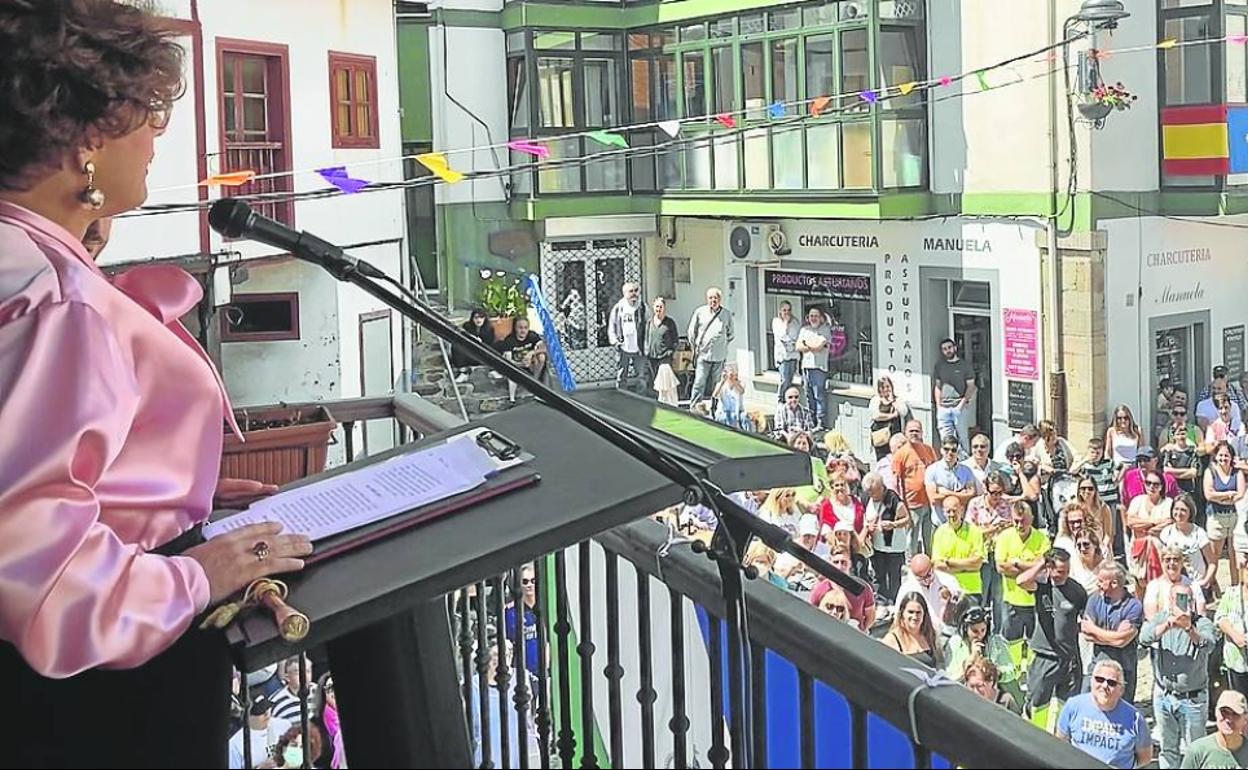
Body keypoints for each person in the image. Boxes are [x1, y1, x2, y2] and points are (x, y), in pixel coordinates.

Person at [0, 3, 316, 766]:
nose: (156, 139)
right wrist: (196, 574)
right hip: (93, 706)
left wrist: (160, 493)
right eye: (147, 115)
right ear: (88, 137)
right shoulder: (52, 298)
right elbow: (34, 570)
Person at [1140, 582, 1218, 770]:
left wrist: (1189, 629)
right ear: (1170, 600)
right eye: (1178, 598)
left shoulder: (1202, 623)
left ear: (1192, 602)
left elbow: (1208, 645)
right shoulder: (1161, 619)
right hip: (1164, 695)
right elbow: (1144, 637)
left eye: (1186, 599)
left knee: (1195, 750)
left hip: (1192, 698)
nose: (1182, 603)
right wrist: (1167, 625)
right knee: (1167, 748)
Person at [1019, 548, 1088, 728]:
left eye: (1066, 571)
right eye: (1059, 571)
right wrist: (1041, 563)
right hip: (1044, 657)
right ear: (1049, 568)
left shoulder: (1076, 591)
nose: (1063, 575)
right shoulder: (1042, 586)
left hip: (1069, 658)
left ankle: (1060, 743)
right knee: (1038, 704)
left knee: (1067, 706)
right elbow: (1021, 581)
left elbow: (1087, 618)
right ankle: (1037, 738)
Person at [1057, 659, 1152, 769]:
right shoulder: (1073, 706)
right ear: (1091, 681)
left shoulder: (1135, 719)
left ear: (1121, 689)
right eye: (1099, 679)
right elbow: (1060, 743)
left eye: (1111, 683)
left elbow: (1145, 757)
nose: (1104, 686)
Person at [995, 500, 1052, 669]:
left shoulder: (1042, 538)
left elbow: (1044, 569)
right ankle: (1015, 669)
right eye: (1016, 521)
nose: (1020, 525)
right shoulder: (1005, 537)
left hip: (1035, 601)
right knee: (1012, 640)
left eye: (1024, 521)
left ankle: (1033, 670)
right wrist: (1032, 567)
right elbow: (1000, 567)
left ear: (1032, 518)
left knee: (1035, 640)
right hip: (1011, 599)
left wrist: (1017, 564)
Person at [1079, 560, 1144, 706]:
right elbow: (1086, 633)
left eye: (1101, 581)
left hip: (1123, 670)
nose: (1098, 584)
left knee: (1121, 713)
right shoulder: (1094, 599)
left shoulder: (1133, 606)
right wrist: (1113, 637)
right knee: (1086, 705)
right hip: (1097, 666)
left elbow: (1121, 642)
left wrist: (1095, 630)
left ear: (1114, 583)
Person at [945, 606, 1023, 707]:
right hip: (964, 695)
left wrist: (995, 672)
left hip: (991, 694)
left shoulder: (995, 641)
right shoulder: (955, 643)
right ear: (966, 629)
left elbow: (1011, 671)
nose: (980, 635)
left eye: (983, 630)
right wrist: (972, 658)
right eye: (975, 631)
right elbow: (950, 676)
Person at [967, 471, 1015, 629]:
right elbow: (970, 532)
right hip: (982, 555)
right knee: (981, 594)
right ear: (986, 489)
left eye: (1000, 493)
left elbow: (1012, 528)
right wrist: (992, 529)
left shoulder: (1005, 505)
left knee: (999, 595)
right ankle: (976, 627)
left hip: (1000, 554)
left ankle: (998, 632)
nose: (996, 496)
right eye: (993, 492)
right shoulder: (975, 505)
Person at [862, 472, 910, 605]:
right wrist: (868, 526)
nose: (874, 495)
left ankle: (896, 602)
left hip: (894, 547)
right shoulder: (866, 498)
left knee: (894, 578)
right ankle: (881, 601)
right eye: (870, 493)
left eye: (876, 492)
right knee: (879, 576)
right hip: (876, 546)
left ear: (882, 487)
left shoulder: (892, 497)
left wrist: (893, 525)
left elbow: (907, 520)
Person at [1072, 437, 1125, 559]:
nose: (1095, 455)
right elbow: (1073, 471)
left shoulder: (1108, 462)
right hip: (1091, 501)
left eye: (1098, 452)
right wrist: (1085, 459)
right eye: (1092, 452)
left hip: (1108, 499)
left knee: (1110, 530)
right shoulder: (1086, 466)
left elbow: (1122, 467)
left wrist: (1116, 481)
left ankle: (1108, 552)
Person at [1205, 441, 1246, 590]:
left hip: (1234, 516)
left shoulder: (1237, 472)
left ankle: (1236, 588)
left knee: (1234, 555)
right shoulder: (1210, 471)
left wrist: (1219, 497)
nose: (1223, 458)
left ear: (1231, 457)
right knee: (1214, 556)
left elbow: (1240, 494)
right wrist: (1228, 495)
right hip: (1216, 517)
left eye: (1226, 455)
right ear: (1216, 456)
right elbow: (1208, 494)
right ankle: (1214, 588)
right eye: (1220, 455)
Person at [931, 496, 986, 607]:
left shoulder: (974, 531)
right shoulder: (939, 533)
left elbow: (977, 564)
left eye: (954, 511)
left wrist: (949, 562)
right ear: (943, 512)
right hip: (948, 591)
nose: (952, 514)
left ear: (962, 509)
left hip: (971, 591)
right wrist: (966, 565)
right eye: (948, 511)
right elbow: (937, 565)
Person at [893, 419, 937, 557]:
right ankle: (912, 562)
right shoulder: (901, 454)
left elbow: (935, 472)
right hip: (911, 504)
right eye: (911, 431)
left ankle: (929, 562)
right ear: (905, 433)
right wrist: (902, 505)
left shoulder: (929, 450)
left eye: (917, 431)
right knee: (912, 537)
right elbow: (896, 482)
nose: (914, 434)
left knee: (929, 536)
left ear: (922, 432)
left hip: (929, 502)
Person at [1159, 494, 1216, 597]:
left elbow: (1212, 562)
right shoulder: (1166, 533)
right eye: (1176, 509)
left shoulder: (1199, 534)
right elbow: (1162, 561)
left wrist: (1204, 582)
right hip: (1174, 586)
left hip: (1195, 585)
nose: (1179, 513)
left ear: (1190, 512)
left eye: (1183, 510)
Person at [1126, 469, 1174, 589]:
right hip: (1138, 550)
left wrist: (1143, 525)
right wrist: (1153, 523)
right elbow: (1130, 522)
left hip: (1160, 551)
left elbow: (1168, 522)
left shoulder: (1168, 503)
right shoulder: (1137, 501)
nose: (1151, 486)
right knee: (1139, 584)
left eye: (1156, 484)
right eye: (1148, 483)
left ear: (1162, 487)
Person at [924, 435, 980, 537]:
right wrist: (961, 494)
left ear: (957, 452)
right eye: (946, 449)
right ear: (941, 450)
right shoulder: (932, 470)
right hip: (939, 525)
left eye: (953, 450)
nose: (950, 453)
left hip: (960, 526)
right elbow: (933, 499)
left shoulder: (966, 471)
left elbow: (971, 495)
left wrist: (946, 492)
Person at [686, 287, 734, 404]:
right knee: (699, 382)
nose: (713, 300)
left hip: (719, 356)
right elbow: (691, 332)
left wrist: (721, 344)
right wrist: (695, 346)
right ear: (707, 299)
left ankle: (716, 408)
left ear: (720, 299)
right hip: (703, 354)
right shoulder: (700, 312)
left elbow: (731, 334)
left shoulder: (726, 314)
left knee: (717, 384)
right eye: (710, 298)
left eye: (716, 298)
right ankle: (694, 407)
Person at [895, 553, 963, 636]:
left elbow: (962, 605)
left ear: (932, 567)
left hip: (946, 633)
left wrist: (951, 597)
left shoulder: (948, 580)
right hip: (920, 635)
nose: (926, 580)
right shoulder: (907, 588)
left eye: (928, 575)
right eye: (921, 578)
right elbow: (898, 615)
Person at [1180, 690, 1248, 769]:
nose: (1229, 719)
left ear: (1245, 719)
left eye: (1235, 714)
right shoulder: (1197, 751)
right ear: (1216, 713)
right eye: (1224, 712)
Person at [932, 337, 976, 450]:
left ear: (955, 348)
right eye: (944, 349)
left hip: (959, 407)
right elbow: (937, 386)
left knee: (962, 438)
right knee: (946, 440)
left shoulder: (964, 365)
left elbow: (971, 386)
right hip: (943, 408)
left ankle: (965, 464)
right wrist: (938, 406)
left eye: (949, 348)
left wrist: (961, 404)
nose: (948, 351)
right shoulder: (939, 365)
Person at [229, 693, 293, 769]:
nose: (267, 714)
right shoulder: (235, 745)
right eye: (260, 712)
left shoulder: (284, 725)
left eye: (267, 708)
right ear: (247, 716)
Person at [1145, 544, 1209, 618]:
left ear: (1181, 563)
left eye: (1176, 559)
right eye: (1167, 560)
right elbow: (1150, 616)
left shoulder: (1193, 585)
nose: (1171, 563)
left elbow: (1201, 614)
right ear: (1162, 562)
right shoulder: (1153, 586)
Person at [883, 592, 942, 669]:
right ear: (902, 613)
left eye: (918, 612)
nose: (915, 616)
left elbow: (940, 664)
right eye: (910, 612)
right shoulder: (892, 639)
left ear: (924, 614)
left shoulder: (930, 635)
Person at [496, 317, 549, 403]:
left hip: (531, 364)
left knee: (541, 357)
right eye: (520, 328)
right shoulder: (510, 340)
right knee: (511, 373)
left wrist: (531, 353)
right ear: (515, 328)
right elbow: (508, 362)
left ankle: (535, 382)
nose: (523, 331)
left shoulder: (532, 336)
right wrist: (521, 364)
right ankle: (512, 399)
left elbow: (545, 348)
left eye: (525, 328)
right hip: (516, 366)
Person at [796, 305, 832, 428]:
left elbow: (819, 347)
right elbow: (798, 347)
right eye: (811, 316)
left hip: (819, 368)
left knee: (819, 396)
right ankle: (812, 422)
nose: (813, 318)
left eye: (816, 316)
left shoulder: (825, 330)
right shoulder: (804, 330)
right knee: (808, 395)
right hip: (806, 367)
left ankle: (821, 423)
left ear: (821, 318)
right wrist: (809, 346)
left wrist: (806, 344)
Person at [607, 282, 646, 390]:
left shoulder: (643, 307)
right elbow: (612, 326)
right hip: (623, 348)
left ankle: (641, 399)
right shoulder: (619, 308)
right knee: (621, 376)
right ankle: (622, 396)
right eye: (631, 291)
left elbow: (649, 325)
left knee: (641, 376)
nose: (634, 294)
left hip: (639, 348)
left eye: (636, 291)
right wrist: (615, 342)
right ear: (624, 293)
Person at [504, 564, 541, 676]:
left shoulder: (546, 607)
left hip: (550, 670)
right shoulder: (511, 613)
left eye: (533, 581)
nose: (530, 585)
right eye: (525, 581)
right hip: (524, 674)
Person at [1217, 578, 1248, 699]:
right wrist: (1235, 636)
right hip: (1236, 661)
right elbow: (1220, 617)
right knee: (1239, 702)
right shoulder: (1231, 594)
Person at [868, 375, 910, 461]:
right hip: (881, 436)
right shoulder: (875, 400)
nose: (886, 389)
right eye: (883, 387)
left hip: (894, 436)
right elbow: (876, 416)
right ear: (879, 389)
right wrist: (892, 416)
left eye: (888, 386)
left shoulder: (898, 400)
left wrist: (893, 401)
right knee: (882, 460)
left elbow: (903, 412)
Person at [1071, 476, 1115, 556]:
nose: (1086, 491)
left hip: (1100, 548)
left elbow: (1108, 534)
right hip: (1081, 548)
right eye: (1083, 488)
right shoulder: (1074, 507)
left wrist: (1103, 546)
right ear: (1079, 490)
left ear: (1095, 491)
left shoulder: (1103, 508)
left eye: (1090, 488)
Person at [646, 297, 679, 400]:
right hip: (652, 356)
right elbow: (646, 337)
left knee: (664, 382)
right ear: (653, 307)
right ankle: (656, 401)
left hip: (664, 357)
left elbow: (675, 340)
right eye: (657, 306)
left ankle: (666, 401)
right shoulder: (649, 322)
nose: (658, 309)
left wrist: (671, 352)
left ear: (664, 308)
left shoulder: (670, 322)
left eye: (661, 306)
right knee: (654, 381)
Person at [1196, 365, 1248, 430]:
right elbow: (1203, 425)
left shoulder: (1235, 391)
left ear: (1227, 376)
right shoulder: (1206, 392)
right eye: (1216, 376)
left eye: (1221, 376)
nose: (1216, 391)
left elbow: (1244, 409)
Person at [452, 308, 497, 382]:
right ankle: (463, 372)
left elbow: (490, 346)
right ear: (472, 318)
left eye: (481, 317)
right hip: (469, 353)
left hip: (482, 356)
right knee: (456, 347)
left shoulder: (489, 329)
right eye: (476, 318)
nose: (479, 320)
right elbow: (462, 339)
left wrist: (481, 343)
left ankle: (494, 370)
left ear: (485, 319)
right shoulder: (467, 326)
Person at [269, 655, 316, 725]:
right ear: (287, 677)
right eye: (298, 673)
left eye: (308, 671)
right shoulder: (274, 701)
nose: (304, 676)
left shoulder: (319, 691)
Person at [1161, 423, 1202, 501]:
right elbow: (1166, 470)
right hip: (1172, 490)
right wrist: (1187, 470)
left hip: (1188, 490)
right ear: (1174, 436)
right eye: (1178, 434)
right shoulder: (1169, 451)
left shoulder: (1192, 451)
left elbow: (1193, 472)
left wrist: (1174, 473)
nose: (1181, 436)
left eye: (1183, 433)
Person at [771, 301, 800, 403]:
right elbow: (782, 335)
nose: (787, 313)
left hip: (793, 354)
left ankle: (789, 400)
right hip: (783, 355)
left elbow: (795, 337)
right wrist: (786, 323)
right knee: (784, 379)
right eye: (784, 310)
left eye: (789, 310)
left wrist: (790, 341)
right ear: (780, 311)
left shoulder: (795, 322)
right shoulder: (776, 321)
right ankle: (781, 400)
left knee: (790, 379)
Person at [1105, 404, 1146, 470]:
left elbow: (1142, 451)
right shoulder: (1111, 431)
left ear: (1130, 418)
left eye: (1125, 418)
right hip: (1117, 466)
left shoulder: (1137, 430)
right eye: (1119, 418)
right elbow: (1108, 452)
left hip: (1133, 466)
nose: (1123, 421)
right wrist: (1108, 467)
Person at [712, 365, 751, 431]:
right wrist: (722, 382)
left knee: (744, 418)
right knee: (725, 418)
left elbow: (741, 391)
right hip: (723, 412)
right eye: (730, 375)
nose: (732, 377)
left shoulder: (740, 383)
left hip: (738, 412)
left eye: (734, 374)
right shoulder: (720, 384)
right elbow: (715, 395)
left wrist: (735, 382)